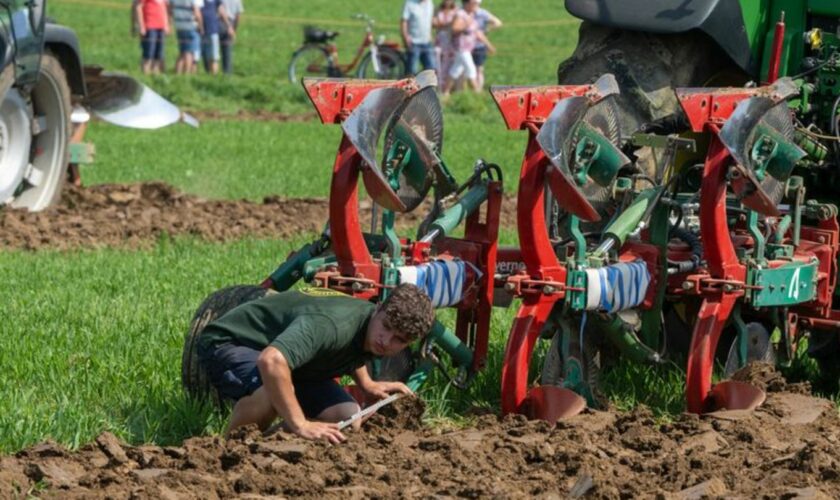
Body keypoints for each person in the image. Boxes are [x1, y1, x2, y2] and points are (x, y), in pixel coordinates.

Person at [198, 284, 435, 443]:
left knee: (347, 417)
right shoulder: (332, 325)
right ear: (379, 308)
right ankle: (228, 449)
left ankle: (269, 443)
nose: (386, 341)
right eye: (387, 327)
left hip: (290, 356)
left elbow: (349, 348)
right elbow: (271, 361)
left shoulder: (370, 327)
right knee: (274, 391)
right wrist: (300, 424)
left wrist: (367, 384)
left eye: (400, 340)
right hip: (234, 342)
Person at [442, 0, 495, 95]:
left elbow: (477, 32)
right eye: (474, 3)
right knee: (471, 69)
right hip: (461, 48)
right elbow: (454, 28)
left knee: (455, 70)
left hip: (467, 48)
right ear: (467, 3)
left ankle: (445, 92)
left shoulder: (471, 15)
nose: (476, 5)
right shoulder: (460, 14)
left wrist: (488, 45)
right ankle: (478, 93)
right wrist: (466, 24)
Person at [133, 0, 170, 74]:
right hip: (149, 26)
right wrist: (141, 26)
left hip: (161, 26)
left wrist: (166, 24)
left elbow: (165, 8)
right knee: (148, 54)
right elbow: (138, 7)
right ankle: (145, 74)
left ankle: (155, 75)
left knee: (159, 55)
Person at [471, 0, 501, 90]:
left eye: (476, 3)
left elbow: (498, 22)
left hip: (479, 45)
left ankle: (478, 90)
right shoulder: (464, 12)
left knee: (479, 69)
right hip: (466, 45)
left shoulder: (482, 13)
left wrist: (487, 29)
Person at [401, 0, 436, 75]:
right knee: (411, 70)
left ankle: (427, 86)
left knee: (431, 68)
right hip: (413, 42)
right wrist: (405, 37)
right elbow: (404, 22)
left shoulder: (430, 3)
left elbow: (431, 20)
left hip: (427, 42)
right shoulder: (409, 3)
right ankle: (409, 86)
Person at [199, 0, 233, 74]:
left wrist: (228, 25)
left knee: (214, 57)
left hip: (213, 30)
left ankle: (213, 76)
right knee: (205, 56)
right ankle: (208, 73)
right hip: (201, 31)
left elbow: (221, 10)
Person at [171, 0, 203, 74]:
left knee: (182, 52)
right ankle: (187, 74)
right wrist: (201, 26)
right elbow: (197, 12)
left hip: (179, 25)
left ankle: (178, 73)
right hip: (190, 26)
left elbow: (171, 8)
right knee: (189, 52)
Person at [433, 0, 457, 89]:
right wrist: (448, 25)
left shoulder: (456, 10)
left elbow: (455, 26)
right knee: (438, 61)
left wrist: (442, 25)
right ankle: (439, 84)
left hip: (451, 39)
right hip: (440, 38)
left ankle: (448, 85)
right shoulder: (437, 9)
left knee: (450, 61)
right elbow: (434, 23)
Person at [220, 0, 243, 74]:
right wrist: (234, 29)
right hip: (230, 21)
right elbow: (238, 15)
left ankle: (210, 72)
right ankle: (227, 73)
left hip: (218, 21)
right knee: (227, 51)